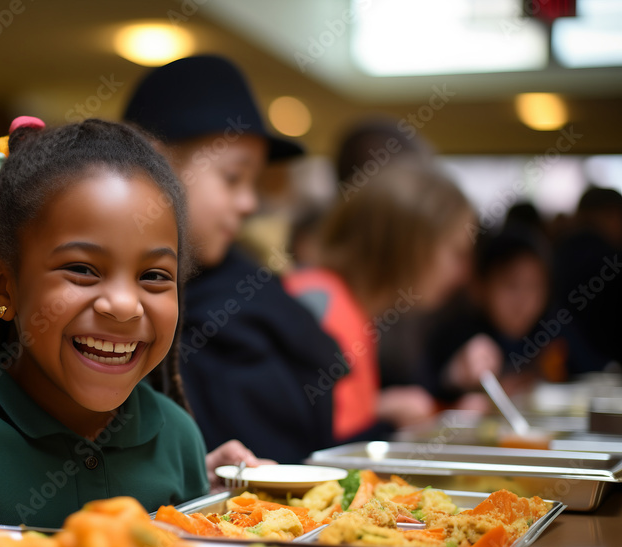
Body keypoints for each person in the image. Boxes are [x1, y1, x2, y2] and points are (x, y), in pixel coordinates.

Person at [0, 117, 266, 547]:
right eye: (82, 269)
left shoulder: (178, 438)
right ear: (3, 287)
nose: (123, 305)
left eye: (154, 275)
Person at [122, 55, 342, 463]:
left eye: (253, 182)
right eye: (232, 177)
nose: (249, 202)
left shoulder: (234, 313)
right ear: (155, 165)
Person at [284, 166, 476, 443]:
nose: (463, 274)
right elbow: (315, 445)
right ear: (410, 246)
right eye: (456, 253)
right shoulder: (322, 305)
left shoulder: (347, 305)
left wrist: (381, 408)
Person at [428, 223, 563, 399]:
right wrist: (454, 375)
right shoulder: (460, 338)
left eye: (534, 287)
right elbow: (432, 391)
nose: (523, 301)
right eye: (511, 285)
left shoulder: (551, 330)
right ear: (479, 287)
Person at [553, 187, 622, 373]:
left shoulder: (555, 252)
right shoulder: (611, 259)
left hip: (561, 363)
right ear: (609, 215)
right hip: (606, 366)